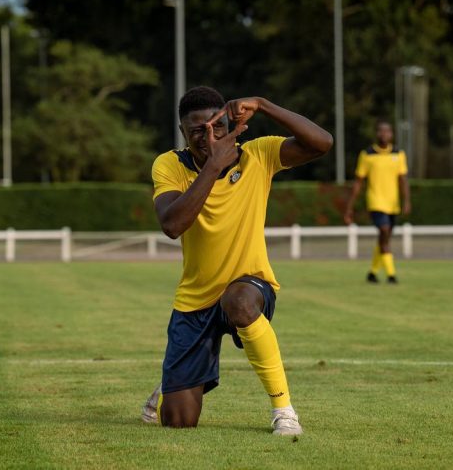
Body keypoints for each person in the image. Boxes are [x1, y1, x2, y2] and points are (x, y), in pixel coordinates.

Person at [140, 86, 332, 435]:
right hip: (195, 299)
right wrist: (212, 167)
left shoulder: (258, 154)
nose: (208, 136)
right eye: (197, 130)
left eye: (216, 126)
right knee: (180, 422)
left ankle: (284, 411)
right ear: (183, 132)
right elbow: (172, 225)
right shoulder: (169, 164)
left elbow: (322, 143)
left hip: (249, 285)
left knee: (239, 301)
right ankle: (171, 386)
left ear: (229, 125)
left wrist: (263, 104)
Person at [344, 121, 411, 284]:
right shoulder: (367, 154)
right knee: (384, 231)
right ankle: (391, 275)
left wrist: (406, 200)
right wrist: (349, 208)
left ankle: (372, 273)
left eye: (387, 131)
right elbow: (358, 182)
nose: (384, 134)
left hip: (392, 203)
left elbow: (403, 180)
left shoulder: (398, 154)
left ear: (392, 134)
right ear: (376, 134)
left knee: (384, 238)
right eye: (381, 131)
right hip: (375, 202)